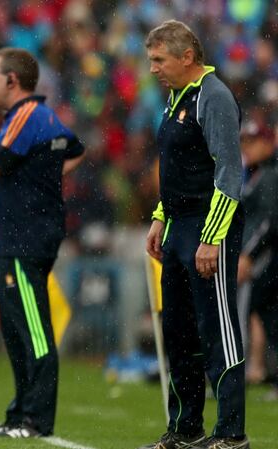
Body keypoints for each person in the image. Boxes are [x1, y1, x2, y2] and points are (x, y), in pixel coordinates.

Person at [0, 47, 85, 438]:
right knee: (17, 332)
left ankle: (34, 420)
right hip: (25, 236)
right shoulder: (45, 117)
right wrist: (40, 177)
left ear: (12, 80)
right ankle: (18, 415)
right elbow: (74, 150)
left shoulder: (26, 115)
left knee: (33, 331)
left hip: (23, 239)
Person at [142, 20, 248, 449]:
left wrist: (212, 236)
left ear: (187, 57)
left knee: (217, 330)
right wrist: (159, 216)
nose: (152, 69)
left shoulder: (214, 96)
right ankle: (186, 429)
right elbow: (179, 170)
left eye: (159, 60)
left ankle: (231, 434)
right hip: (178, 228)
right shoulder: (174, 98)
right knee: (180, 332)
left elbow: (228, 173)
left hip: (209, 229)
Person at [237, 120, 278, 401]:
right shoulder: (257, 174)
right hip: (260, 255)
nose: (247, 148)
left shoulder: (269, 176)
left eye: (253, 142)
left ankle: (255, 369)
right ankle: (258, 369)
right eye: (245, 142)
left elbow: (268, 222)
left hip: (265, 258)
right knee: (263, 313)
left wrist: (249, 256)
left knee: (266, 312)